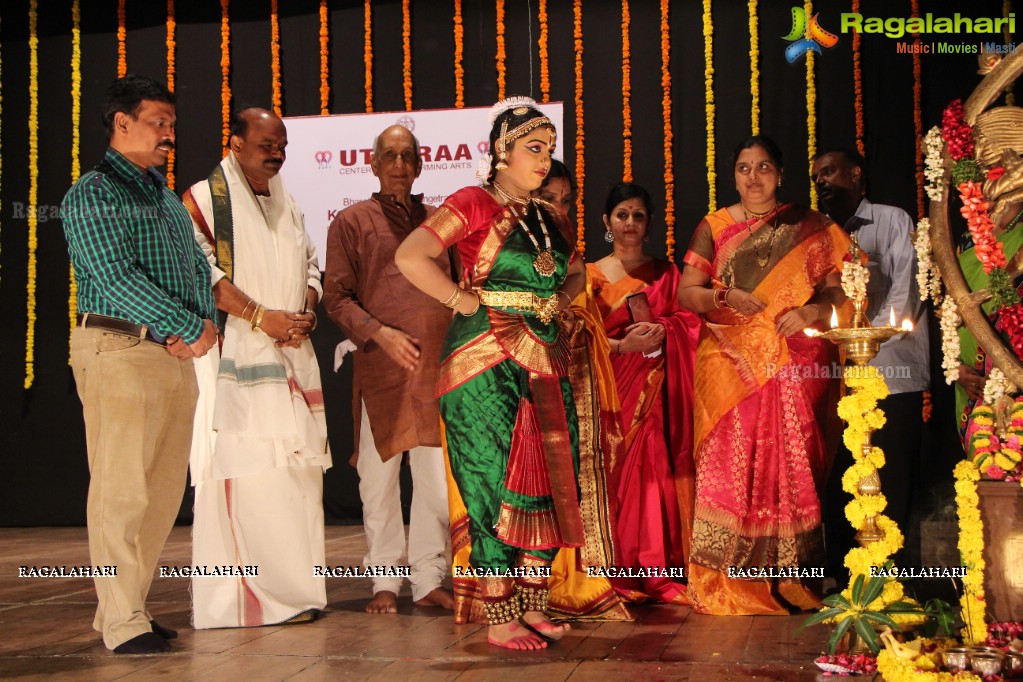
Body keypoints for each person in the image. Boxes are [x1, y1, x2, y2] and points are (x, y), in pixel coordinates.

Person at [395, 96, 586, 650]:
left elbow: (574, 274)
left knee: (547, 474)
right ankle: (499, 612)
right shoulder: (472, 202)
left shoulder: (546, 216)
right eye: (533, 148)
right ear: (501, 152)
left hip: (544, 358)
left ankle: (532, 603)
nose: (544, 159)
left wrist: (560, 303)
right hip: (483, 361)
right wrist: (460, 298)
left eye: (549, 150)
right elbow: (411, 256)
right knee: (492, 478)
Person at [62, 74, 218, 654]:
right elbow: (113, 277)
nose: (169, 136)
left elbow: (198, 272)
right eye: (159, 123)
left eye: (172, 126)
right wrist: (185, 326)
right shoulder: (94, 192)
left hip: (170, 354)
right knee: (122, 490)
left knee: (160, 493)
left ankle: (126, 609)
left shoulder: (160, 193)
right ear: (121, 123)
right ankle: (121, 618)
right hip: (118, 350)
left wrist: (202, 328)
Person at [679, 135, 850, 615]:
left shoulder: (810, 226)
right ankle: (724, 574)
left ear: (780, 174)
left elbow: (839, 294)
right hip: (727, 363)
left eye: (764, 167)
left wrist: (813, 311)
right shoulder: (714, 226)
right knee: (727, 465)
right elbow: (686, 293)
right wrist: (723, 298)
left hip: (791, 361)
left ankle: (789, 578)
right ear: (733, 175)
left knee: (790, 465)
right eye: (743, 168)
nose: (753, 178)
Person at [183, 107, 332, 628]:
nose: (277, 152)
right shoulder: (205, 200)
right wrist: (260, 316)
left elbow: (311, 262)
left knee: (296, 479)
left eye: (283, 143)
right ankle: (247, 601)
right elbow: (200, 271)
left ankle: (295, 593)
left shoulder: (286, 199)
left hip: (291, 355)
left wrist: (306, 310)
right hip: (238, 363)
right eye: (267, 143)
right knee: (250, 479)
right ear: (235, 143)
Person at [323, 124, 455, 615]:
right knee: (377, 483)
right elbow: (335, 296)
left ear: (420, 165)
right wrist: (380, 334)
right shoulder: (352, 222)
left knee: (435, 483)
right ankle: (384, 580)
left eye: (408, 156)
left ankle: (426, 578)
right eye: (390, 156)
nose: (400, 164)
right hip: (380, 367)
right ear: (374, 165)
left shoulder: (442, 223)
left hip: (436, 367)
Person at [812, 148, 931, 577]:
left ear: (856, 173)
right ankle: (846, 578)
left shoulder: (892, 219)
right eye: (816, 177)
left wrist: (861, 343)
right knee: (843, 478)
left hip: (891, 372)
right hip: (838, 380)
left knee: (889, 476)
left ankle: (888, 580)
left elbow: (906, 294)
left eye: (829, 172)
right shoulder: (820, 233)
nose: (821, 182)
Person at [587, 182, 701, 604]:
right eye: (622, 214)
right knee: (614, 479)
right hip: (611, 390)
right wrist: (623, 346)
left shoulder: (668, 274)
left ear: (649, 223)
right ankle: (615, 570)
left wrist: (665, 331)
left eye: (638, 215)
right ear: (606, 221)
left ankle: (659, 571)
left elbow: (691, 324)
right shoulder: (590, 276)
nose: (630, 223)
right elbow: (582, 337)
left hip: (657, 391)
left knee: (654, 477)